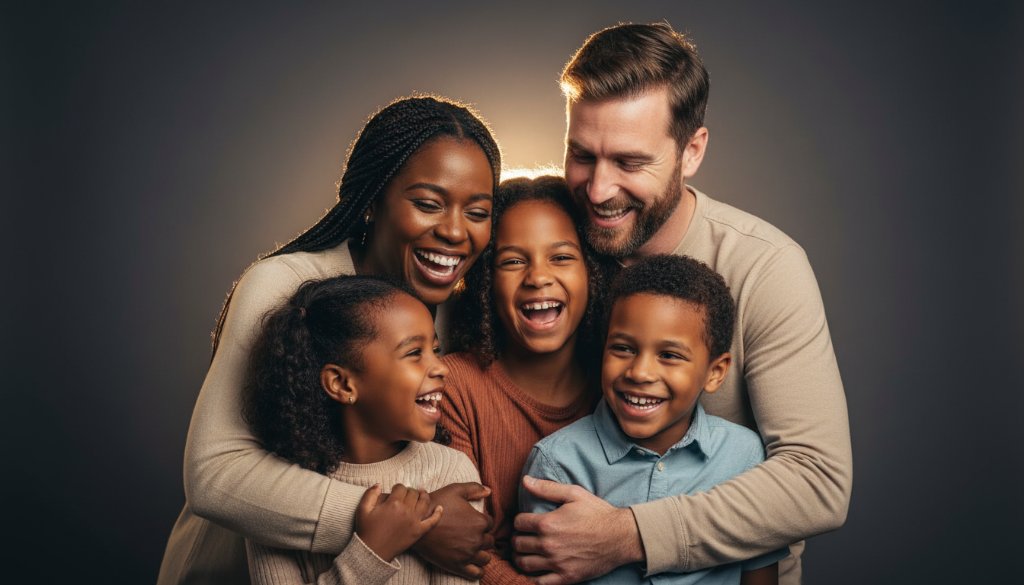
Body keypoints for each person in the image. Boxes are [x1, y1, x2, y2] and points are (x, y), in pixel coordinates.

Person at [513, 23, 852, 585]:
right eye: (581, 155)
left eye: (628, 162)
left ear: (691, 151)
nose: (597, 190)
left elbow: (817, 482)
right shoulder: (542, 248)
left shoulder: (766, 267)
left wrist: (629, 536)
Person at [157, 95, 502, 585]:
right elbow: (216, 477)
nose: (453, 231)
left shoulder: (458, 313)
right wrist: (410, 524)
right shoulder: (286, 286)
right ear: (372, 201)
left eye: (478, 212)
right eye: (427, 204)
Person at [521, 255, 788, 585]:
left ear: (715, 372)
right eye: (623, 348)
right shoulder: (557, 463)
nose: (640, 372)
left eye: (669, 355)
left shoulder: (745, 456)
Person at [242, 275, 482, 585]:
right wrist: (371, 553)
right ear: (342, 384)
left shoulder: (451, 472)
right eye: (413, 353)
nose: (441, 367)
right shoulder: (279, 500)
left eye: (435, 350)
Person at [441, 176, 611, 584]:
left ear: (591, 272)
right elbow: (463, 550)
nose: (538, 277)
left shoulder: (623, 384)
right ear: (485, 282)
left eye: (561, 257)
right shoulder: (453, 387)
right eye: (513, 261)